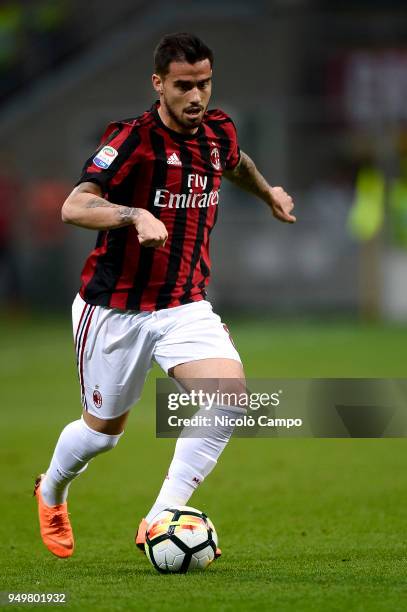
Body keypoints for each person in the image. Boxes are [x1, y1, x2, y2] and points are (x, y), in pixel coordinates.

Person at [34, 32, 295, 559]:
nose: (196, 96)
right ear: (158, 84)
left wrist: (267, 192)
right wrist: (133, 214)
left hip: (183, 303)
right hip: (114, 310)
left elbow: (235, 162)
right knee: (102, 435)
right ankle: (52, 489)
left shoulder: (218, 130)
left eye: (204, 83)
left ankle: (160, 517)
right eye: (183, 86)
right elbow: (73, 206)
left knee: (230, 395)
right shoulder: (131, 140)